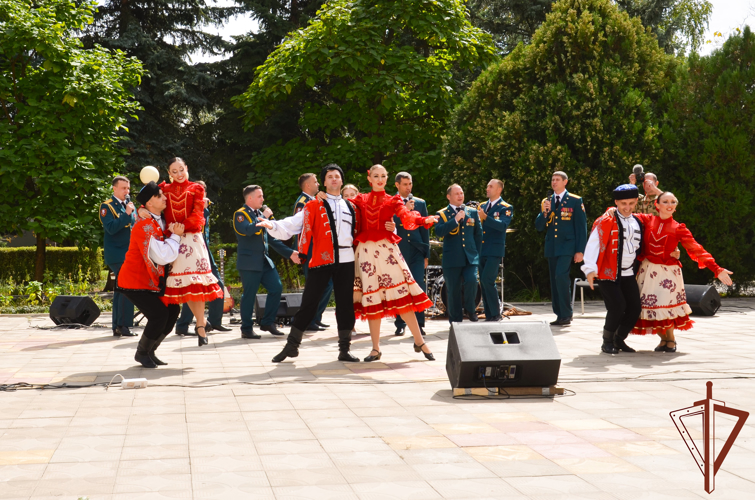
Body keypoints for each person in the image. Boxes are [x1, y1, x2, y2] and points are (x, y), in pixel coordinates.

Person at [257, 164, 361, 363]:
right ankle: (292, 346)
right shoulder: (314, 205)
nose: (333, 179)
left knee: (346, 305)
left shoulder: (351, 206)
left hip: (347, 260)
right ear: (324, 182)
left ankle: (344, 349)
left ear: (341, 180)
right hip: (322, 259)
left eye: (337, 176)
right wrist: (273, 224)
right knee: (309, 303)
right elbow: (294, 223)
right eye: (329, 176)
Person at [347, 165, 438, 362]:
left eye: (383, 176)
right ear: (369, 177)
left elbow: (406, 216)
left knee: (402, 295)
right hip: (365, 253)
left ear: (387, 179)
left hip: (387, 252)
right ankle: (375, 348)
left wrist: (423, 221)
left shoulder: (393, 199)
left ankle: (419, 340)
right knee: (372, 299)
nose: (380, 179)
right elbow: (341, 210)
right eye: (376, 176)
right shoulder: (359, 199)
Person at [629, 192, 733, 352]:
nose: (669, 204)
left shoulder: (679, 228)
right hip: (647, 271)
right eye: (665, 201)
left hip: (668, 274)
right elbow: (625, 213)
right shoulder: (647, 219)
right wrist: (611, 210)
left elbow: (697, 249)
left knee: (665, 307)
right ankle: (664, 340)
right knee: (651, 308)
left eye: (672, 202)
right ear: (657, 205)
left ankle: (670, 341)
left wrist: (716, 269)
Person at [139, 158, 224, 346]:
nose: (178, 174)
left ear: (187, 169)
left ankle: (201, 324)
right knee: (184, 285)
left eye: (181, 170)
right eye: (174, 171)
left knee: (195, 284)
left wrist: (181, 227)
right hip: (172, 241)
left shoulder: (196, 188)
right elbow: (148, 198)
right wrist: (141, 209)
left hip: (192, 239)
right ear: (169, 173)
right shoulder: (164, 188)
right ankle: (200, 324)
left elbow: (198, 214)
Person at [117, 182, 184, 368]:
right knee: (159, 314)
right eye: (159, 195)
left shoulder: (157, 218)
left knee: (172, 310)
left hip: (149, 280)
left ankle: (151, 350)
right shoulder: (145, 224)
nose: (165, 198)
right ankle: (142, 352)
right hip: (134, 281)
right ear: (149, 203)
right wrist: (176, 237)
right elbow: (163, 256)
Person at [581, 184, 644, 354]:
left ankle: (619, 339)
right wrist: (589, 269)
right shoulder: (606, 220)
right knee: (617, 307)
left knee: (635, 308)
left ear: (636, 201)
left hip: (629, 272)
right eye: (623, 203)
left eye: (631, 203)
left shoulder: (638, 220)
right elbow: (594, 243)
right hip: (608, 273)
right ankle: (606, 341)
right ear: (616, 202)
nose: (627, 207)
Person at [234, 185, 300, 339]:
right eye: (259, 196)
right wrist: (262, 217)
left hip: (264, 261)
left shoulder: (258, 215)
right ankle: (246, 328)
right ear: (250, 198)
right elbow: (248, 230)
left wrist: (290, 253)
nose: (263, 199)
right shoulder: (240, 214)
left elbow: (271, 239)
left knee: (276, 288)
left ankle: (268, 322)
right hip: (249, 263)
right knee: (249, 295)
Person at [174, 181, 231, 335]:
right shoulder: (190, 208)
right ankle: (183, 325)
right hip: (192, 251)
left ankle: (214, 322)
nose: (203, 195)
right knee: (193, 288)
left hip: (203, 251)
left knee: (217, 284)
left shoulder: (203, 208)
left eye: (203, 192)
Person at [535, 171, 587, 326]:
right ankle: (559, 314)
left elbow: (581, 227)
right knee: (554, 280)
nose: (554, 182)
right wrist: (545, 212)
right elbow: (539, 226)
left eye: (557, 179)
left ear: (565, 182)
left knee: (561, 277)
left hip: (567, 246)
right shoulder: (547, 201)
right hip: (552, 246)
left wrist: (580, 250)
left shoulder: (575, 200)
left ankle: (566, 313)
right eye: (552, 179)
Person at [434, 184, 482, 323]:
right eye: (457, 194)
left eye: (461, 193)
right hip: (452, 258)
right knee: (453, 290)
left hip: (470, 257)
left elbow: (478, 235)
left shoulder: (472, 212)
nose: (460, 196)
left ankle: (470, 308)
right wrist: (455, 220)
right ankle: (455, 320)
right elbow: (439, 231)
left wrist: (477, 254)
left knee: (472, 281)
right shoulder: (442, 214)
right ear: (449, 197)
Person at [294, 173, 333, 332]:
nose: (318, 184)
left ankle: (316, 317)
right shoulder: (303, 202)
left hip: (320, 249)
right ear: (307, 186)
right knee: (315, 286)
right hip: (310, 250)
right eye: (315, 182)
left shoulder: (315, 200)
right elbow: (300, 228)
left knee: (327, 284)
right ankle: (309, 320)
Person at [99, 176, 137, 337]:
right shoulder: (107, 206)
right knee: (127, 288)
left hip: (129, 253)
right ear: (114, 188)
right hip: (117, 254)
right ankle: (124, 325)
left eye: (128, 188)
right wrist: (126, 214)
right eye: (123, 188)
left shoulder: (129, 206)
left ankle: (118, 326)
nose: (126, 192)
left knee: (121, 290)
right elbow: (111, 228)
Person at [477, 179, 513, 322]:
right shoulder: (483, 206)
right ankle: (489, 313)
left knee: (488, 280)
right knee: (483, 282)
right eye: (487, 186)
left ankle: (496, 313)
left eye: (491, 186)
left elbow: (502, 225)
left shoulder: (505, 207)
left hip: (494, 250)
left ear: (499, 190)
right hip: (482, 249)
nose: (487, 188)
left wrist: (486, 218)